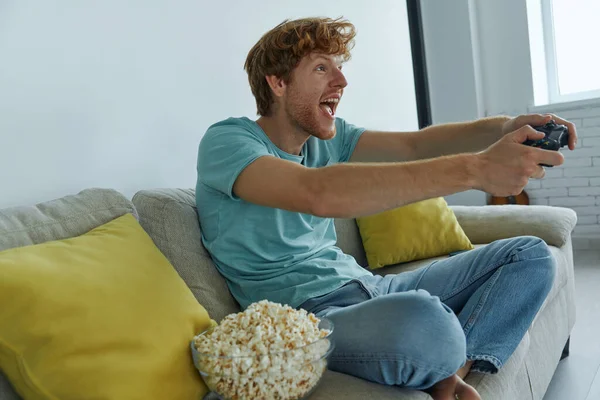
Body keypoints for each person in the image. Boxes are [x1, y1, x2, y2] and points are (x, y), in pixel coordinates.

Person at [195, 17, 578, 400]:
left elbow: (416, 145)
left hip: (374, 286)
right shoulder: (229, 141)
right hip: (309, 317)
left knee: (529, 255)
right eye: (321, 68)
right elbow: (316, 193)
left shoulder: (328, 139)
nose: (341, 82)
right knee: (426, 322)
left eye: (339, 68)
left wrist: (506, 125)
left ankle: (453, 371)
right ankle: (440, 358)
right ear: (277, 83)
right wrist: (476, 169)